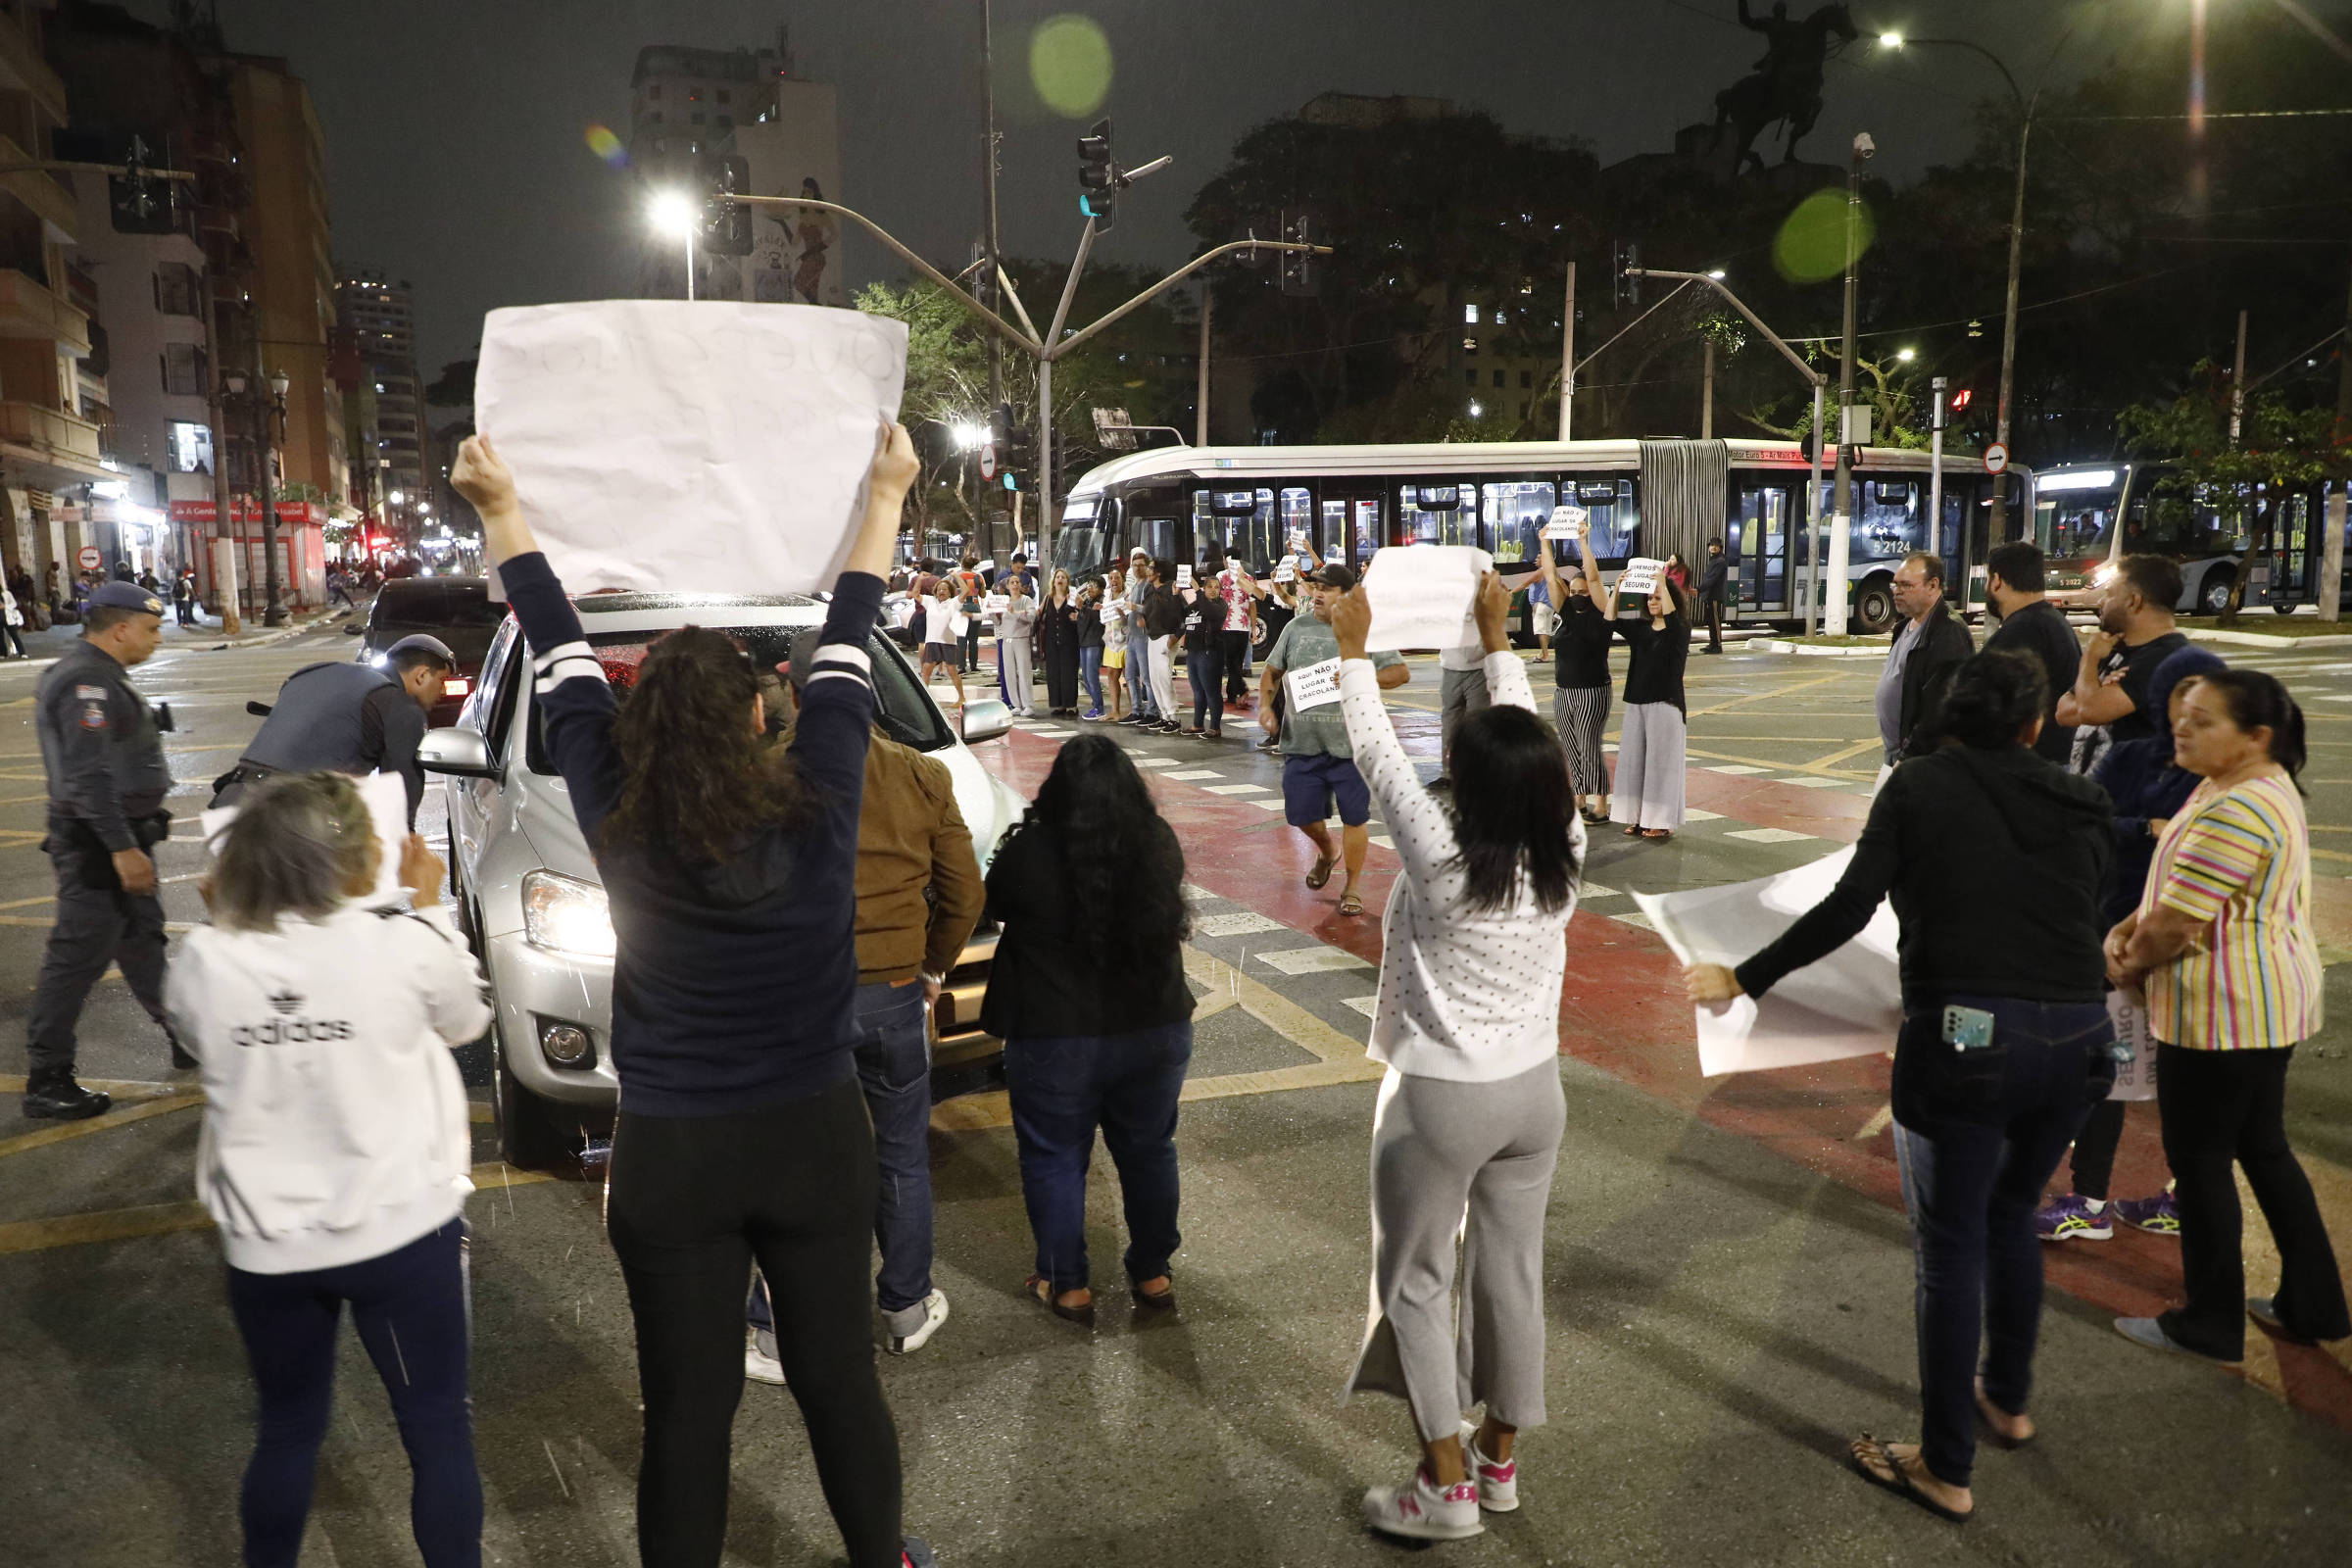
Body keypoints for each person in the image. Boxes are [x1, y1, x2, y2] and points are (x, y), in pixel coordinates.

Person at [451, 426, 935, 1568]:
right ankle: (884, 1560)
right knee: (837, 1383)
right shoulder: (820, 794)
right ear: (763, 716)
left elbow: (559, 642)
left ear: (636, 729)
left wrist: (503, 509)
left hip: (670, 1148)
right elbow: (849, 633)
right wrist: (885, 492)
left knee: (688, 1411)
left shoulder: (617, 811)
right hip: (815, 1135)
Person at [1686, 651, 2117, 1526]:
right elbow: (2076, 910)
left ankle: (1945, 1465)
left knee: (1952, 1245)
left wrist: (1744, 976)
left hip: (1969, 1038)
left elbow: (1850, 906)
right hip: (2080, 1039)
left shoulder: (1919, 785)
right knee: (2012, 1215)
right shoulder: (2084, 798)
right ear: (2034, 726)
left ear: (1956, 714)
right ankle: (2009, 1398)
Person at [168, 772, 492, 1568]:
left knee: (287, 1427)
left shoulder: (205, 960)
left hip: (267, 1246)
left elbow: (202, 1033)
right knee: (436, 1426)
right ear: (348, 861)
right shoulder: (401, 944)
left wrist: (225, 923)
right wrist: (430, 907)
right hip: (400, 1233)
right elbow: (467, 1018)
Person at [1329, 571, 1583, 1543]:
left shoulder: (1443, 857)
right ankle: (1499, 1464)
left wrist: (1351, 651)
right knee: (1512, 1274)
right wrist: (1497, 637)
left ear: (1469, 789)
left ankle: (1445, 1487)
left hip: (1443, 1099)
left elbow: (1376, 752)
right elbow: (1533, 746)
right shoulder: (1566, 842)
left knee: (1417, 1281)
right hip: (1535, 1095)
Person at [744, 627, 988, 1377]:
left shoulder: (767, 774)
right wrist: (933, 967)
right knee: (901, 1155)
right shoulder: (917, 773)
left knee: (790, 1164)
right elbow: (965, 890)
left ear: (798, 688)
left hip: (799, 997)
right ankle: (906, 1307)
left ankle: (778, 1329)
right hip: (892, 991)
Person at [2106, 669, 2350, 1363]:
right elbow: (2175, 891)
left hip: (2223, 1014)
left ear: (2255, 736)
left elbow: (2179, 921)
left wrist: (2127, 961)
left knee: (2201, 1160)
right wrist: (2130, 924)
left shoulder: (2239, 807)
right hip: (2259, 1006)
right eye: (2183, 715)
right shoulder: (2243, 785)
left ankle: (2209, 1321)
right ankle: (2315, 1304)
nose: (2182, 727)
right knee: (2263, 1149)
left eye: (2204, 719)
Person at [980, 734, 1193, 1325]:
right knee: (1150, 1151)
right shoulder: (1157, 842)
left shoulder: (1027, 853)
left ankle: (1068, 1285)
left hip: (1054, 1033)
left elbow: (993, 906)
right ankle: (1152, 1273)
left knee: (1053, 1158)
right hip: (1155, 1028)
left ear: (1056, 790)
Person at [2035, 646, 2224, 1244]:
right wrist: (2141, 828)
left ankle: (2184, 1195)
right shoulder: (2133, 757)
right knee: (2110, 1067)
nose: (2188, 714)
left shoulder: (2226, 778)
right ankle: (2088, 1198)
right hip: (2114, 937)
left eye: (2203, 700)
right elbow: (2074, 819)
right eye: (2178, 697)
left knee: (2182, 1081)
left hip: (2183, 951)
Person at [24, 580, 179, 1119]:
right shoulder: (87, 681)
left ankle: (185, 1035)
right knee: (76, 961)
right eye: (152, 629)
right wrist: (121, 848)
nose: (157, 638)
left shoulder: (100, 675)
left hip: (118, 838)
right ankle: (48, 1079)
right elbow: (87, 776)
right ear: (120, 629)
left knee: (143, 942)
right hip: (97, 845)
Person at [1259, 563, 1409, 916]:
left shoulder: (1366, 631)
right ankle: (1327, 851)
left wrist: (1362, 673)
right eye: (1314, 588)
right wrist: (1266, 706)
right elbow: (1272, 671)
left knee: (1355, 818)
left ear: (1346, 595)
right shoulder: (1296, 628)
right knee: (1300, 816)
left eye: (1325, 589)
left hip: (1352, 746)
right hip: (1302, 743)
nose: (1316, 594)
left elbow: (1399, 673)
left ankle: (1352, 887)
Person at [214, 634, 459, 827]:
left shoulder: (313, 673)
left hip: (231, 804)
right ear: (422, 675)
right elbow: (398, 804)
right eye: (442, 682)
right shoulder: (402, 707)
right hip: (290, 817)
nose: (442, 692)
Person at [2058, 554, 2187, 778]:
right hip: (2090, 799)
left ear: (2134, 601)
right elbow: (2063, 712)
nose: (2101, 602)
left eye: (2109, 594)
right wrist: (2097, 692)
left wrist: (2089, 661)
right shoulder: (2115, 648)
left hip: (2127, 802)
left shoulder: (2166, 659)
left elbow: (2089, 711)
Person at [1536, 532, 1613, 824]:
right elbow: (1549, 575)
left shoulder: (1603, 614)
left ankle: (1601, 804)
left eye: (1583, 591)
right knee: (1570, 746)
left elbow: (1593, 577)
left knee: (1589, 745)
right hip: (1563, 691)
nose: (1578, 595)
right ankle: (1578, 799)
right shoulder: (1566, 612)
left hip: (1592, 691)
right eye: (1573, 591)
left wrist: (1582, 541)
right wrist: (1544, 543)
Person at [1608, 563, 1690, 840]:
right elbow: (1610, 620)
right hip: (1637, 702)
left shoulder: (1678, 630)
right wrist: (1617, 589)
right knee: (1633, 763)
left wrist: (1662, 584)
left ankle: (1661, 821)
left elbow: (1672, 616)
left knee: (1661, 765)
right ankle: (1637, 818)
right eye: (1650, 598)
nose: (1653, 602)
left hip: (1665, 703)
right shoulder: (1642, 629)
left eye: (1657, 598)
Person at [1981, 542, 2080, 766]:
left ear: (1997, 581)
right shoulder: (2052, 621)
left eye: (1988, 579)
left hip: (2031, 766)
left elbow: (1989, 708)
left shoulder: (2020, 631)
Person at [1877, 552, 1974, 780]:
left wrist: (1910, 755)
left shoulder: (1948, 633)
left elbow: (1941, 708)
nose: (1897, 591)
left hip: (1925, 764)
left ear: (1933, 585)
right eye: (1895, 585)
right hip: (1898, 757)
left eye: (1907, 585)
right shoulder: (1903, 627)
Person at [1180, 557, 1225, 738]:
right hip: (1194, 652)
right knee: (1198, 691)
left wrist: (1198, 590)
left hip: (1210, 652)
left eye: (1217, 587)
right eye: (1210, 587)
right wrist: (1177, 594)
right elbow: (1182, 614)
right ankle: (1198, 724)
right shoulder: (1197, 604)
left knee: (1211, 690)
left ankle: (1215, 727)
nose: (1213, 590)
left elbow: (1210, 613)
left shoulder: (1220, 605)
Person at [1141, 558, 1185, 736]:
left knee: (1164, 677)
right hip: (1152, 636)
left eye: (1151, 568)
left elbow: (1183, 614)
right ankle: (1164, 714)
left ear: (1159, 571)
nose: (1147, 571)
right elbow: (1147, 610)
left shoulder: (1171, 588)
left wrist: (1176, 636)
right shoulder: (1148, 588)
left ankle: (1174, 717)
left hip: (1167, 637)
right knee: (1154, 679)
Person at [1119, 549, 1160, 728]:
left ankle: (1153, 711)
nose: (1137, 569)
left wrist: (1133, 606)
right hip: (1133, 636)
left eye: (1141, 566)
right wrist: (1123, 613)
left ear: (1147, 567)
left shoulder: (1148, 586)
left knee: (1147, 676)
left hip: (1143, 637)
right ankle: (1137, 709)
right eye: (1134, 566)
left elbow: (1150, 609)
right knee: (1130, 675)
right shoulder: (1135, 586)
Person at [1039, 567, 1082, 717]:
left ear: (1067, 581)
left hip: (1069, 641)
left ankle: (1071, 705)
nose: (1060, 579)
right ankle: (1058, 704)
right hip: (1051, 641)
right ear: (1054, 581)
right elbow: (1039, 614)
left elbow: (1080, 614)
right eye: (1058, 577)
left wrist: (1079, 612)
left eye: (1063, 577)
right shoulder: (1048, 598)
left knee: (1069, 673)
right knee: (1054, 673)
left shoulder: (1072, 597)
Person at [1215, 554, 1255, 707]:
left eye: (1224, 559)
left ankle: (1242, 688)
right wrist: (1253, 628)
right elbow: (1253, 605)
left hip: (1226, 625)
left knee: (1231, 663)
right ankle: (1232, 695)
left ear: (1226, 559)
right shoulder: (1248, 578)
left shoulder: (1221, 576)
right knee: (1236, 663)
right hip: (1243, 626)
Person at [918, 578, 964, 709]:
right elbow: (915, 594)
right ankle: (924, 699)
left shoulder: (953, 603)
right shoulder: (930, 601)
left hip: (948, 642)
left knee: (952, 671)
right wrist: (920, 579)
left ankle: (961, 698)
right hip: (932, 641)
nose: (941, 591)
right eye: (939, 589)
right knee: (926, 670)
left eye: (944, 589)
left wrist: (956, 575)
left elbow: (966, 591)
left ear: (950, 592)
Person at [997, 572, 1038, 717]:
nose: (1014, 585)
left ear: (1020, 585)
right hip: (1007, 640)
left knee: (1024, 671)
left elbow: (1031, 616)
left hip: (1021, 639)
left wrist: (1015, 612)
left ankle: (1028, 704)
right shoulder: (1003, 602)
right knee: (1009, 672)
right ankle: (1016, 704)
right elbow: (999, 623)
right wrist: (992, 614)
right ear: (1007, 586)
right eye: (1012, 583)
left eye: (1017, 582)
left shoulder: (1026, 600)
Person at [1097, 565, 1130, 721]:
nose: (1114, 580)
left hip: (1127, 640)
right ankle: (1115, 711)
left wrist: (1123, 615)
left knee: (1130, 676)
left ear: (1123, 580)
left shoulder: (1128, 595)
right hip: (1111, 641)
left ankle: (1134, 710)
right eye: (1111, 578)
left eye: (1117, 577)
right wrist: (1100, 610)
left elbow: (1131, 618)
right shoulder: (1106, 597)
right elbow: (1105, 619)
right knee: (1111, 675)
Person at [1076, 580, 1107, 719]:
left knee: (1092, 677)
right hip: (1084, 641)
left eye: (1094, 586)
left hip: (1094, 642)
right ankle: (1095, 705)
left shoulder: (1102, 601)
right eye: (1088, 585)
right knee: (1086, 678)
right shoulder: (1088, 600)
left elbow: (1098, 617)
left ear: (1101, 589)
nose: (1090, 588)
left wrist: (1081, 608)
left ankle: (1099, 708)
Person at [1695, 537, 1732, 654]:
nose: (1713, 547)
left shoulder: (1720, 560)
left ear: (1720, 548)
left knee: (1715, 621)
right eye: (1711, 545)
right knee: (1711, 620)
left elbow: (1712, 579)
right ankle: (1712, 643)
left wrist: (1698, 589)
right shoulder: (1714, 559)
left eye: (1716, 545)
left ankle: (1717, 645)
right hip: (1710, 595)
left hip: (1715, 595)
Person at [953, 554, 987, 673]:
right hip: (975, 608)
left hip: (961, 608)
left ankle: (961, 666)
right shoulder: (979, 577)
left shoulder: (957, 577)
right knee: (973, 640)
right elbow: (983, 595)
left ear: (962, 564)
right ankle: (974, 666)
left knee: (961, 640)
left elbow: (953, 594)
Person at [1524, 566, 1553, 663]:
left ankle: (1545, 655)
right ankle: (1543, 653)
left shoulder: (1539, 572)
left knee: (1541, 631)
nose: (1536, 559)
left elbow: (1523, 584)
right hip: (1549, 605)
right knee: (1547, 631)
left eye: (1538, 558)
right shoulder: (1551, 571)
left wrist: (1511, 592)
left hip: (1541, 605)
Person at [1, 572, 24, 658]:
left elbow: (14, 603)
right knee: (0, 637)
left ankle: (22, 652)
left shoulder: (7, 594)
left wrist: (5, 606)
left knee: (14, 635)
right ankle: (3, 653)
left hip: (7, 617)